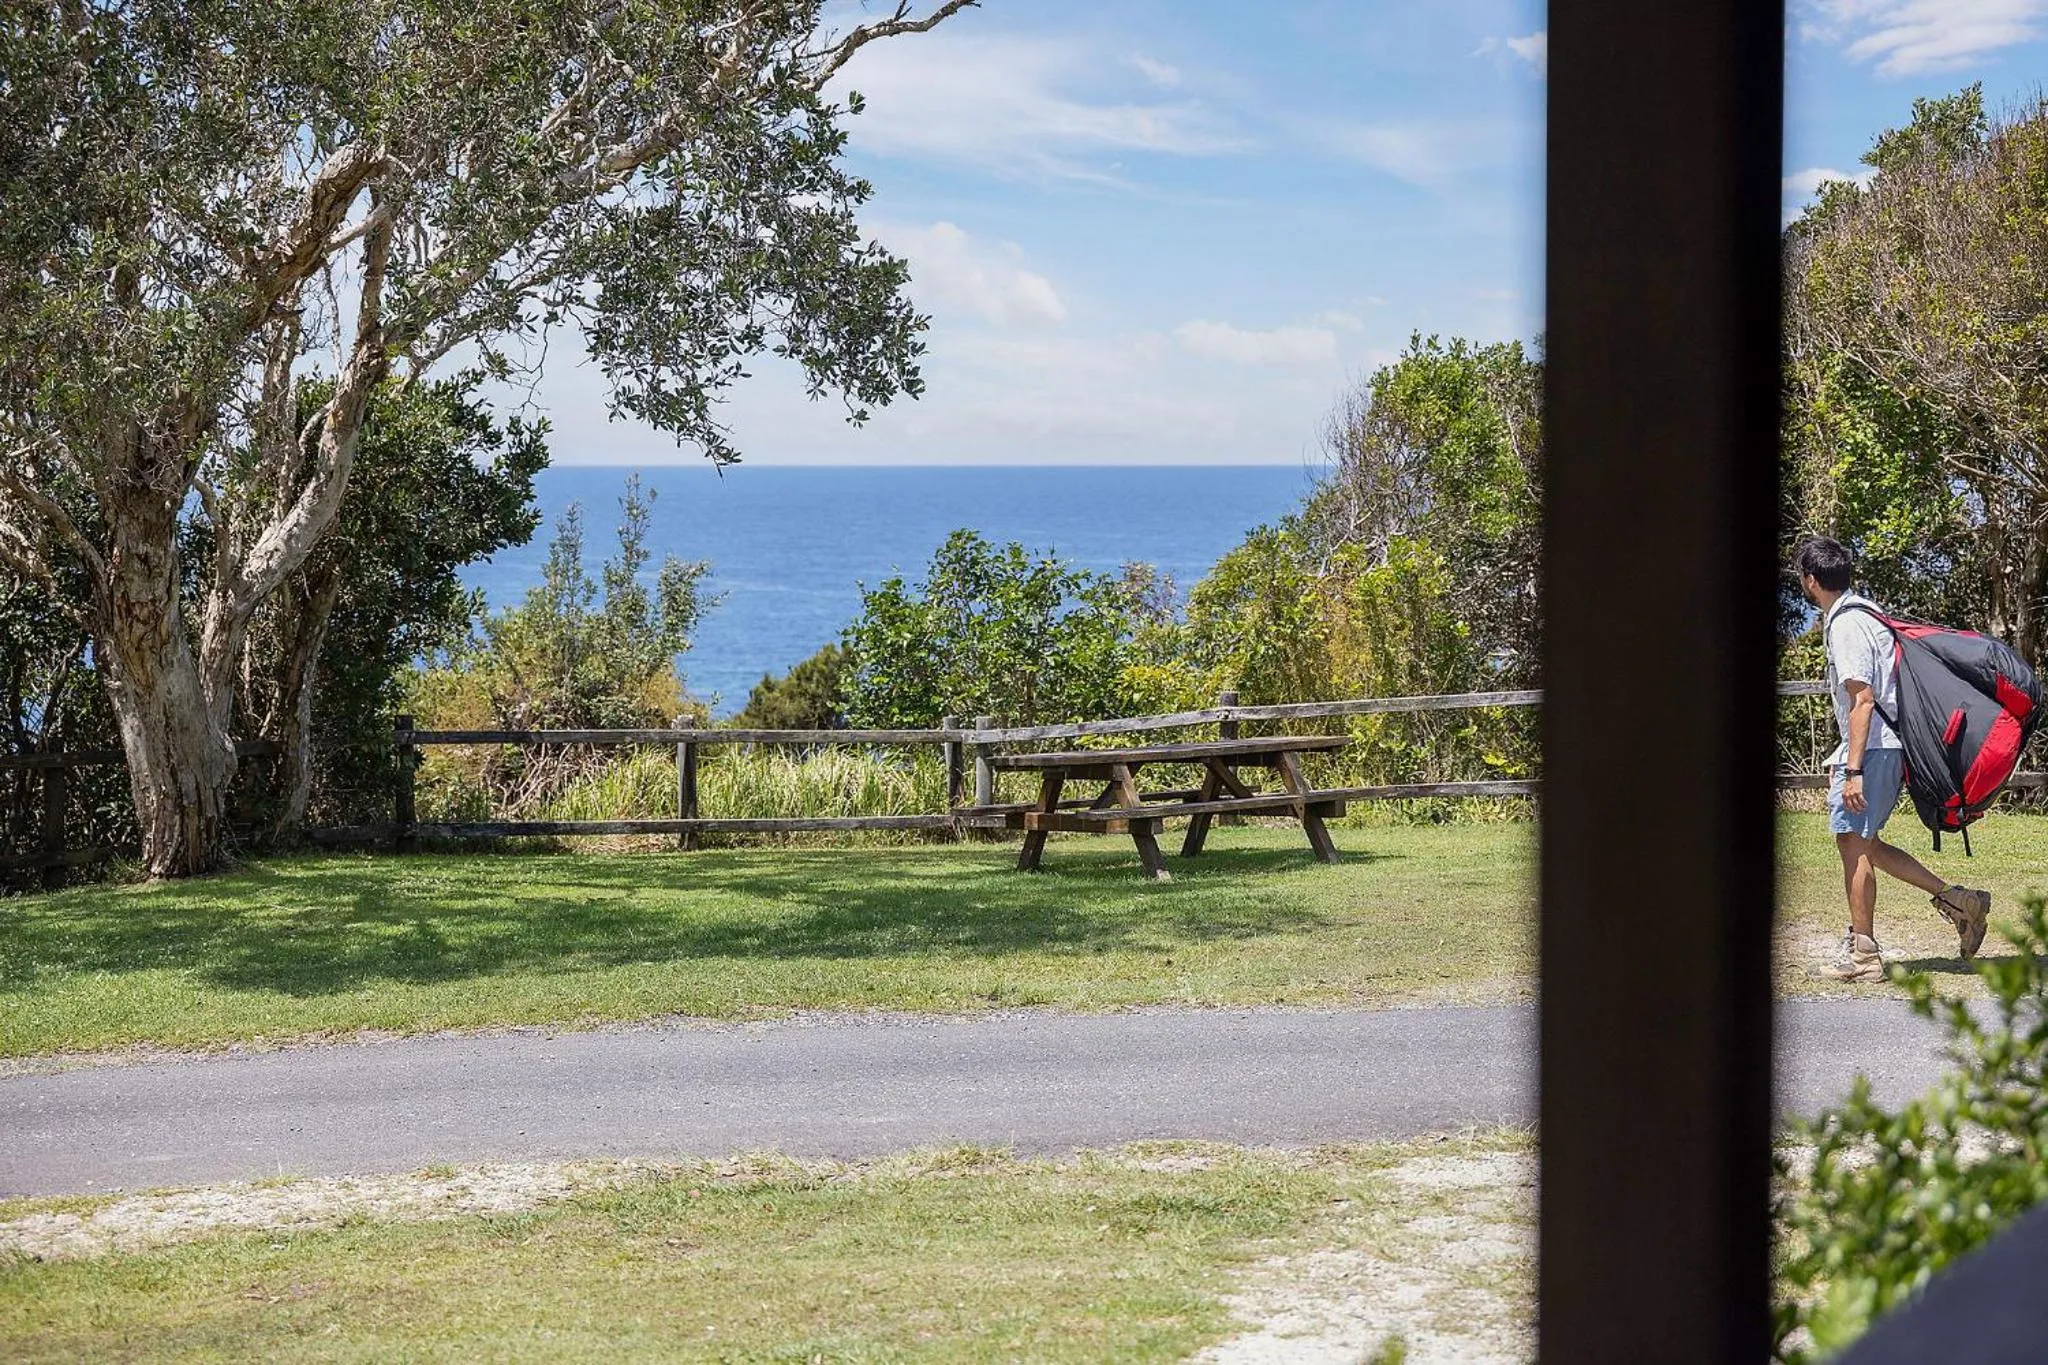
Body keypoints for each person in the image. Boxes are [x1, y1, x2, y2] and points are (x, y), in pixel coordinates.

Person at [1793, 536, 1991, 982]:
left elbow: (1862, 700)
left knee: (1852, 844)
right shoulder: (1867, 614)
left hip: (1874, 749)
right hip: (1885, 746)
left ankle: (1863, 955)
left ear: (1810, 580)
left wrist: (1853, 770)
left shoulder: (1846, 626)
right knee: (1865, 844)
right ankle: (1961, 902)